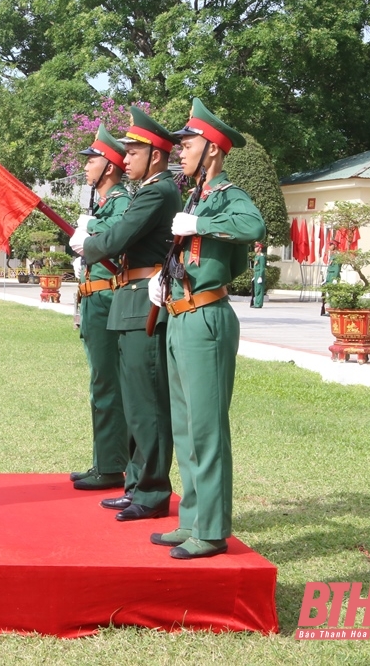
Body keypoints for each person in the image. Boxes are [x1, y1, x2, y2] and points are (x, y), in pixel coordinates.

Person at [148, 98, 266, 559]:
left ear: (212, 150)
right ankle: (193, 520)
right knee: (186, 427)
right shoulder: (196, 195)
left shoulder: (227, 196)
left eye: (188, 144)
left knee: (207, 429)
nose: (179, 152)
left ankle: (213, 531)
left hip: (206, 318)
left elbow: (253, 224)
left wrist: (203, 223)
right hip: (180, 316)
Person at [71, 107, 179, 522]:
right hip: (130, 298)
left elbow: (117, 238)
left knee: (147, 404)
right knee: (135, 403)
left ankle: (150, 492)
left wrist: (91, 243)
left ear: (154, 156)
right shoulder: (150, 190)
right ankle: (136, 484)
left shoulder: (156, 192)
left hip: (142, 301)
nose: (125, 157)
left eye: (133, 151)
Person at [68, 125, 132, 493]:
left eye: (91, 161)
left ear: (109, 166)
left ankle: (110, 466)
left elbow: (122, 232)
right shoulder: (105, 203)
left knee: (106, 384)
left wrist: (90, 224)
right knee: (101, 384)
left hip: (107, 299)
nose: (87, 167)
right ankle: (103, 459)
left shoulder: (120, 201)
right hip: (95, 299)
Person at [321, 240, 340, 315]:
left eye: (331, 245)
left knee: (333, 293)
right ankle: (330, 309)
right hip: (329, 276)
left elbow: (337, 268)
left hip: (333, 276)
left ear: (334, 246)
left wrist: (335, 278)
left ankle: (333, 309)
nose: (329, 247)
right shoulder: (332, 256)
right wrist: (326, 279)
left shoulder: (337, 256)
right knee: (328, 292)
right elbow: (329, 267)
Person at [251, 242, 266, 308]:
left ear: (260, 248)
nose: (255, 248)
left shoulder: (261, 257)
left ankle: (259, 304)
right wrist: (255, 276)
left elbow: (262, 267)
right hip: (256, 273)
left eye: (256, 247)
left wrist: (260, 276)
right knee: (256, 289)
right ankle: (256, 303)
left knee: (259, 289)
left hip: (260, 274)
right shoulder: (257, 256)